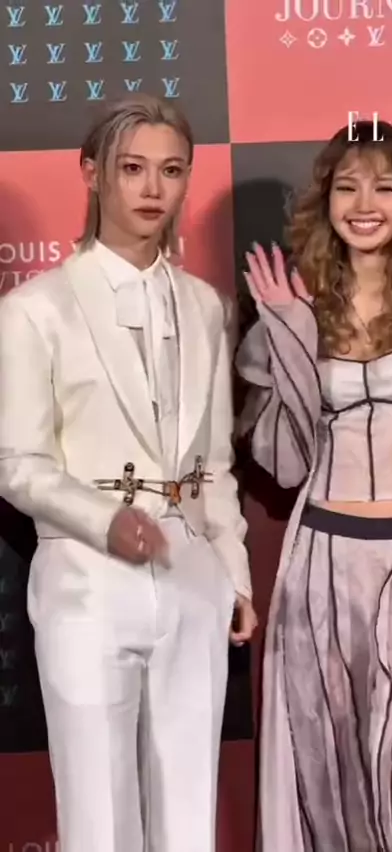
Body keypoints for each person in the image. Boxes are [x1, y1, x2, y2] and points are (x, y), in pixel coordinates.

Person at [0, 93, 256, 852]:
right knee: (99, 818)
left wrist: (234, 574)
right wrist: (106, 521)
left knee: (188, 814)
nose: (152, 189)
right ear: (92, 173)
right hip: (85, 578)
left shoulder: (206, 306)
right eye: (133, 168)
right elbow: (17, 463)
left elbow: (215, 463)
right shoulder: (35, 309)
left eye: (171, 171)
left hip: (191, 576)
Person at [236, 120, 392, 852]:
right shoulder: (299, 310)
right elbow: (283, 464)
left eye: (383, 187)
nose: (364, 205)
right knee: (334, 782)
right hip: (326, 566)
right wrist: (288, 336)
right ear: (326, 202)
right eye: (347, 188)